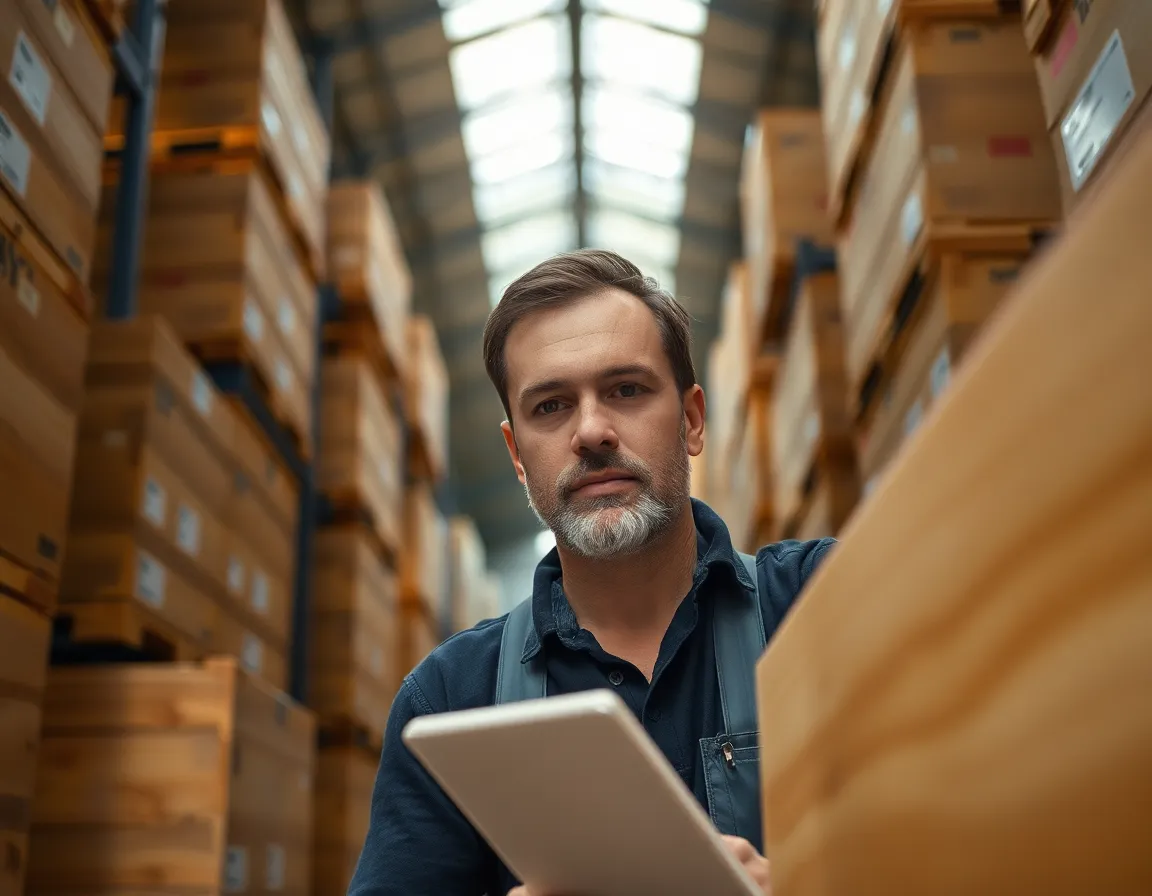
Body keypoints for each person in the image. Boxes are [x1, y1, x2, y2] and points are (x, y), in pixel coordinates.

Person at [348, 249, 834, 896]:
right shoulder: (450, 699)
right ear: (518, 454)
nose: (593, 431)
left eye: (626, 390)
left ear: (691, 419)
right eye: (551, 406)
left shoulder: (819, 606)